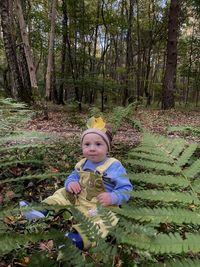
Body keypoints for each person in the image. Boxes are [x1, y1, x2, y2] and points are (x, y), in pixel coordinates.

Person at [20, 117, 133, 250]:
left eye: (98, 144)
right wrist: (71, 183)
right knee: (62, 193)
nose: (92, 148)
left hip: (100, 206)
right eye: (87, 144)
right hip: (79, 198)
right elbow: (73, 176)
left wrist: (112, 197)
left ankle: (79, 240)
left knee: (107, 221)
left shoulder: (113, 165)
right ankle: (42, 209)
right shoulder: (82, 164)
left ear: (108, 148)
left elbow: (126, 188)